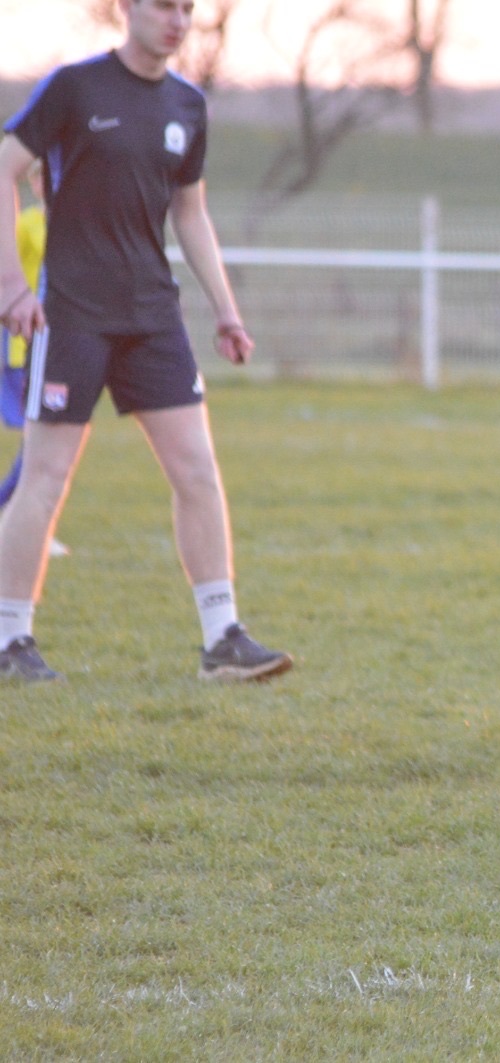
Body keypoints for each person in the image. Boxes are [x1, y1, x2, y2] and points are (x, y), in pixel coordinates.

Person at [0, 0, 291, 683]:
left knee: (197, 471)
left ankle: (222, 638)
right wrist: (12, 286)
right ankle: (11, 639)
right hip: (71, 314)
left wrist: (226, 309)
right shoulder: (75, 87)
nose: (178, 20)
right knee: (45, 477)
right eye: (164, 5)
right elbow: (4, 167)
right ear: (127, 9)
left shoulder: (188, 105)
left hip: (153, 317)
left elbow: (190, 213)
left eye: (187, 8)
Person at [0, 159, 67, 558]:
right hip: (21, 348)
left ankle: (25, 521)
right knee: (41, 441)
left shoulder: (73, 225)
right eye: (40, 176)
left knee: (45, 442)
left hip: (61, 344)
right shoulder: (26, 224)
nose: (48, 182)